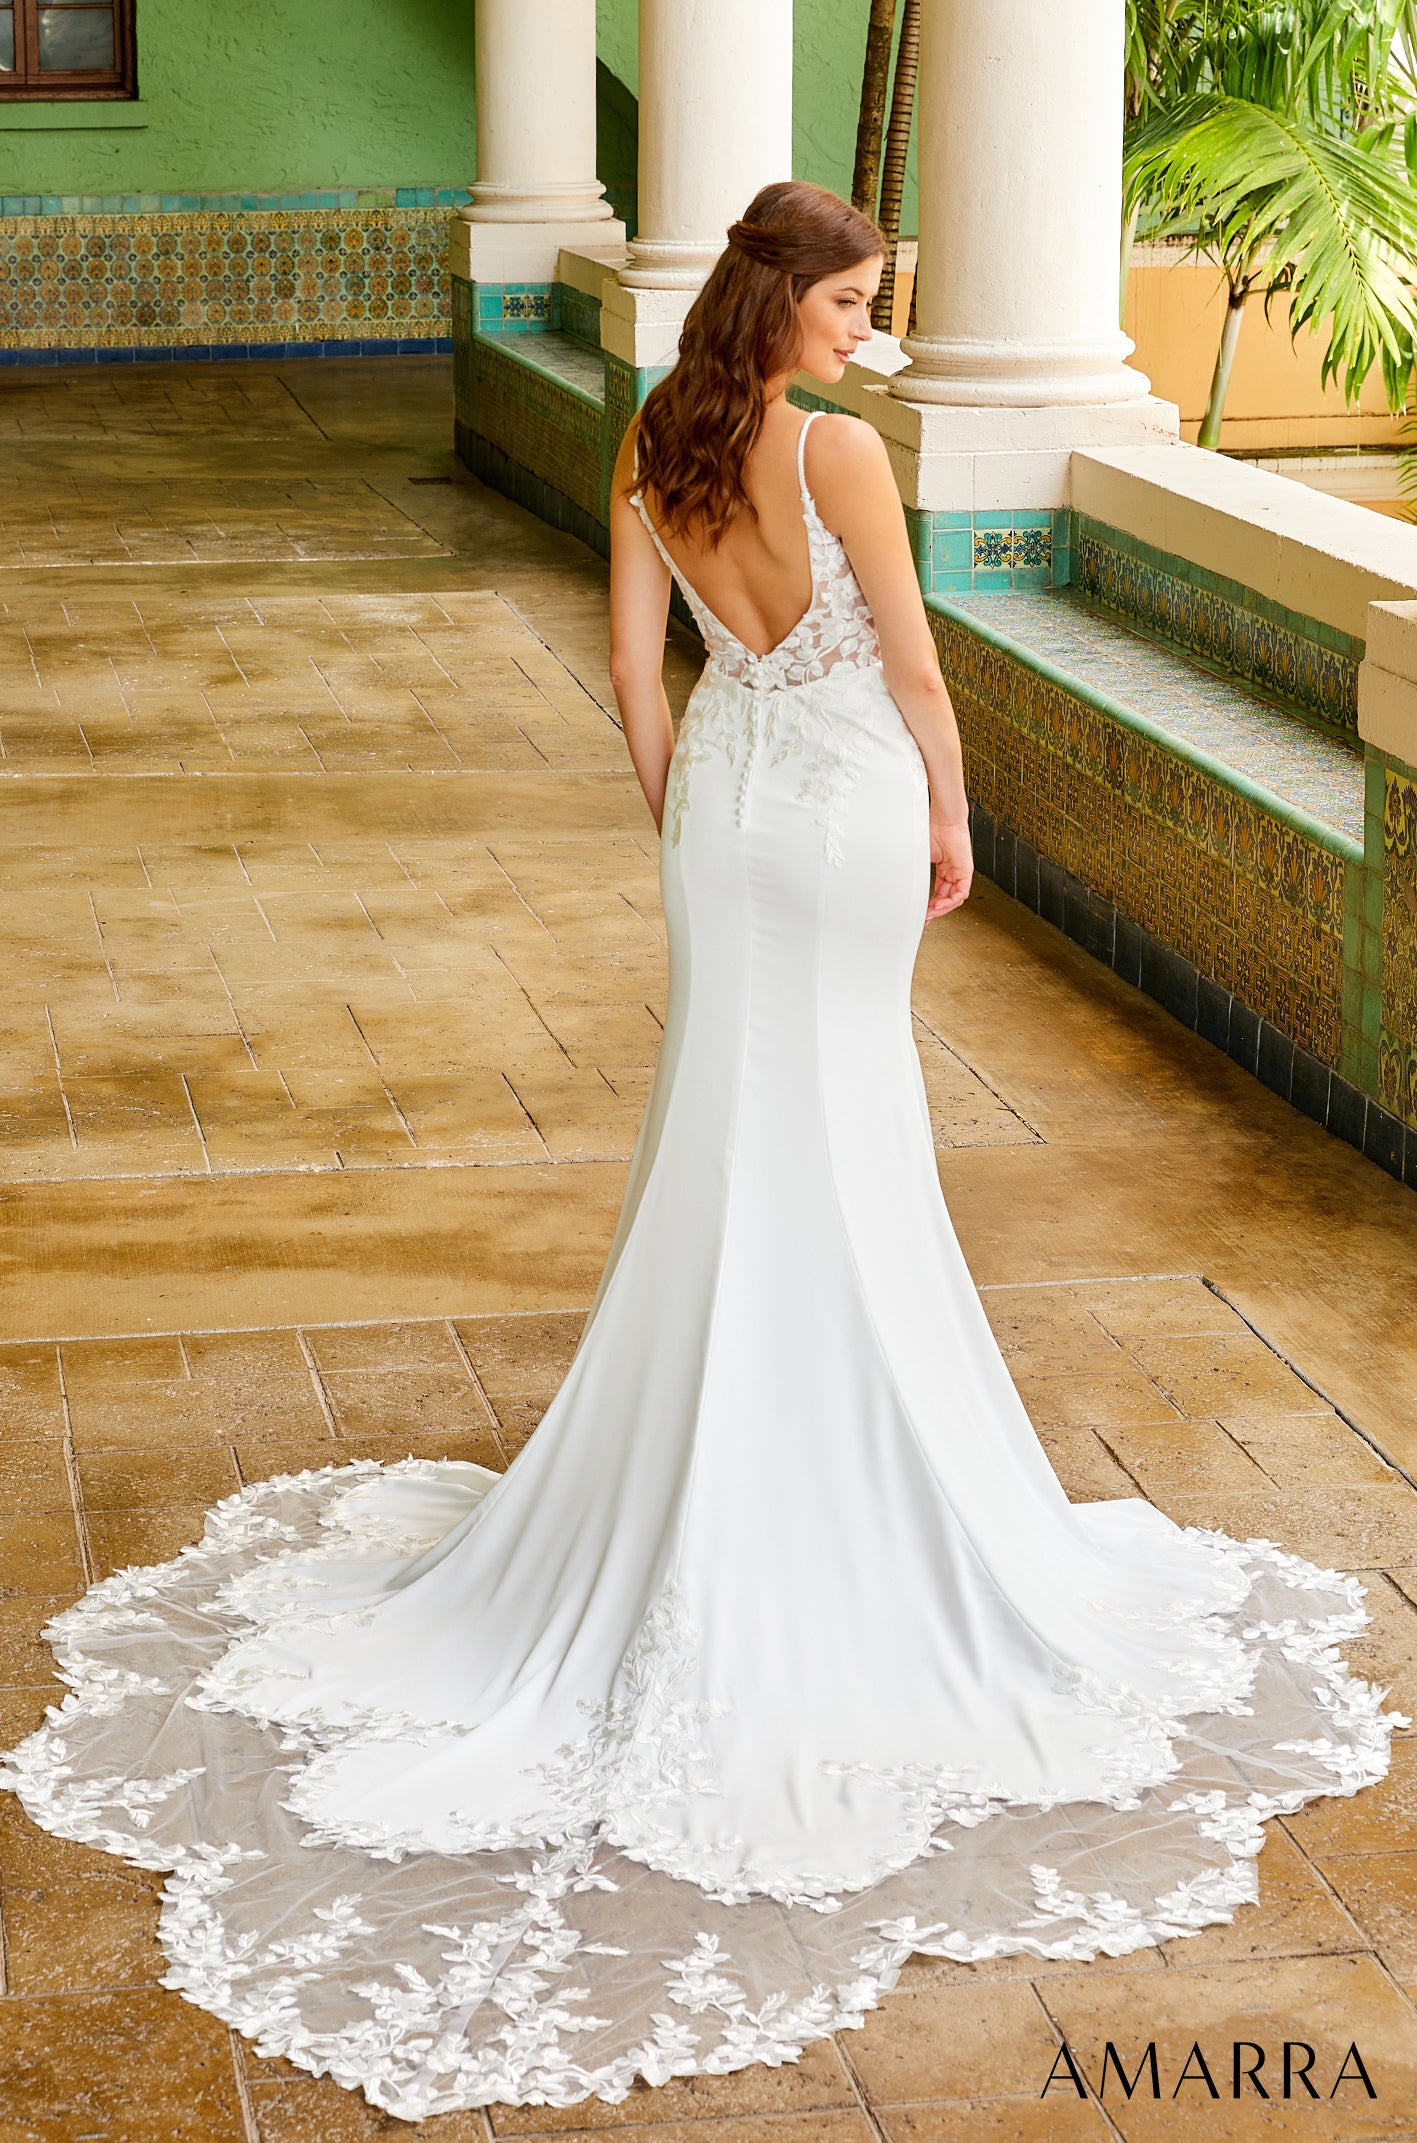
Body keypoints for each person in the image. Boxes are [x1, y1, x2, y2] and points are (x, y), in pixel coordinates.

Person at [0, 182, 1398, 2124]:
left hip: (726, 814)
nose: (866, 327)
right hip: (836, 812)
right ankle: (835, 1454)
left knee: (729, 1131)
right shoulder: (835, 455)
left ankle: (725, 1444)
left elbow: (643, 684)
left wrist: (689, 817)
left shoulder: (659, 447)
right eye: (850, 297)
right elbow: (914, 672)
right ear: (782, 294)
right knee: (844, 1126)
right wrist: (953, 824)